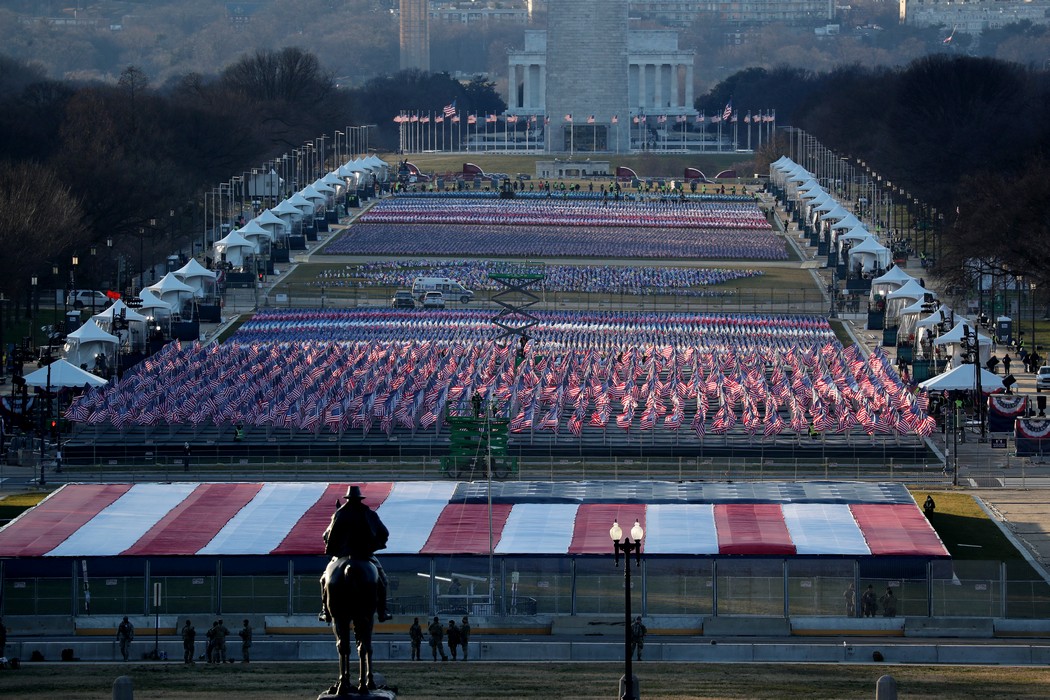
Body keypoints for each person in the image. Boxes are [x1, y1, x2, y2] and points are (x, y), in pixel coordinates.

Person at [319, 485, 391, 623]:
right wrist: (374, 545)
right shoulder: (368, 513)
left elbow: (326, 535)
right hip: (364, 554)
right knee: (382, 580)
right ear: (359, 499)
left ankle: (325, 610)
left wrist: (335, 546)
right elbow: (384, 533)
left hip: (342, 554)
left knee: (324, 580)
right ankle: (383, 611)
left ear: (347, 499)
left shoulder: (339, 513)